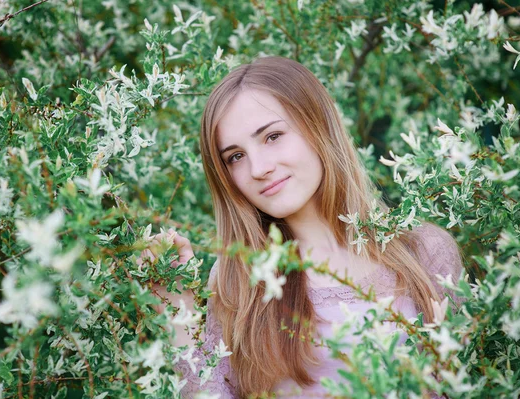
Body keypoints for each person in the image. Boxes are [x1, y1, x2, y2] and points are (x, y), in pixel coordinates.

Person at [146, 56, 464, 398]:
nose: (258, 168)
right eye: (235, 156)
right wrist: (179, 317)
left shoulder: (424, 253)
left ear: (318, 126)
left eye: (272, 136)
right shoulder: (237, 279)